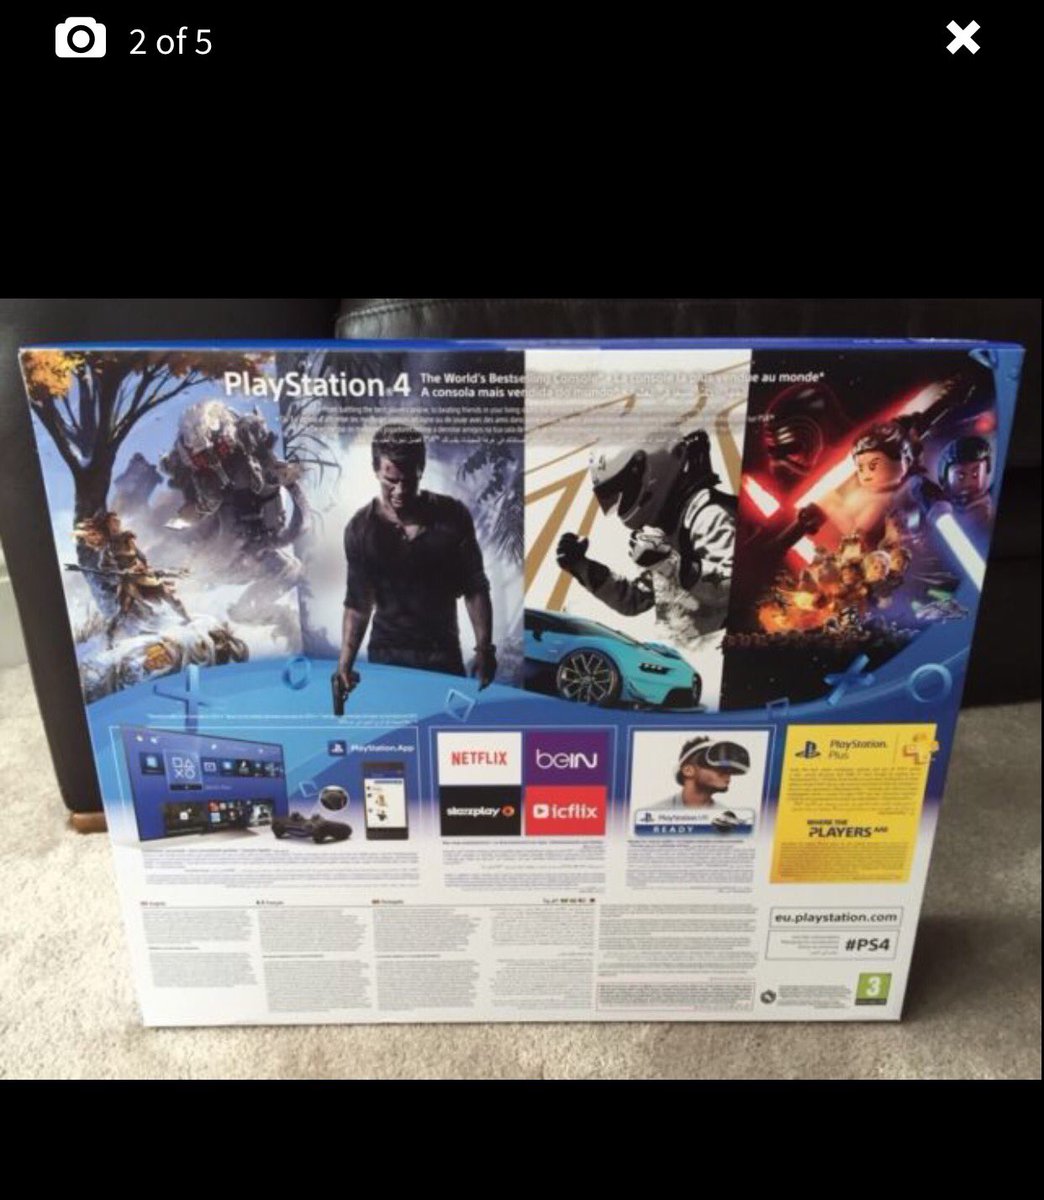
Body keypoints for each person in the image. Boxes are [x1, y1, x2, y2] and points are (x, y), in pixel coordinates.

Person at [337, 424, 497, 694]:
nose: (399, 491)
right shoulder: (360, 528)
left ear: (421, 469)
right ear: (376, 470)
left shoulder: (452, 515)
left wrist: (485, 650)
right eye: (390, 481)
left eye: (408, 480)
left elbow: (475, 587)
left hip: (442, 657)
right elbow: (357, 605)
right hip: (387, 658)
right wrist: (345, 664)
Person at [556, 429, 736, 653]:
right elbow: (634, 599)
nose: (619, 503)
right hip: (689, 652)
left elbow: (736, 590)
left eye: (622, 489)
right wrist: (580, 566)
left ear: (650, 468)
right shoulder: (670, 526)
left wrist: (669, 564)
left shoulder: (707, 514)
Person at [647, 736, 750, 810]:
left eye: (729, 770)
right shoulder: (656, 813)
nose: (727, 775)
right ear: (688, 770)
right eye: (719, 768)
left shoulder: (727, 818)